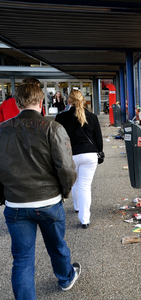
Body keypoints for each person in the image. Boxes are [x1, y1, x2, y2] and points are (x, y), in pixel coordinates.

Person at [0, 83, 80, 299]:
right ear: (41, 101)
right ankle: (65, 278)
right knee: (57, 245)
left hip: (16, 204)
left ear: (17, 103)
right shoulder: (51, 127)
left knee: (22, 259)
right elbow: (65, 167)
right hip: (48, 200)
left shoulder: (2, 129)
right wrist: (64, 192)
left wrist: (4, 196)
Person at [55, 89, 103, 228]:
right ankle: (84, 218)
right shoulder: (92, 117)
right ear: (83, 100)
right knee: (85, 186)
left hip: (71, 156)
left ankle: (77, 206)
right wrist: (99, 152)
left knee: (75, 182)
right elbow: (98, 140)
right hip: (90, 155)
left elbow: (58, 139)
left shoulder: (61, 118)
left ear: (69, 101)